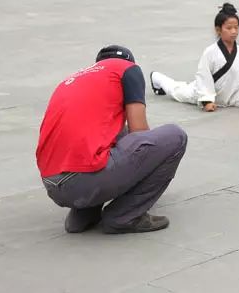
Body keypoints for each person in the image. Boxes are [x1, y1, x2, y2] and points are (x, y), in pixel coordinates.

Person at [36, 45, 187, 234]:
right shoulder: (127, 69)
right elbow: (139, 132)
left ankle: (84, 214)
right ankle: (124, 215)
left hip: (53, 184)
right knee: (174, 137)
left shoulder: (74, 79)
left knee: (115, 135)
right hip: (82, 179)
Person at [150, 4, 239, 114]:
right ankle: (157, 78)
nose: (234, 32)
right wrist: (207, 100)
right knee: (176, 90)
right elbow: (203, 77)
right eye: (229, 28)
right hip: (207, 93)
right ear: (218, 30)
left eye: (236, 28)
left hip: (233, 94)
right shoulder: (210, 52)